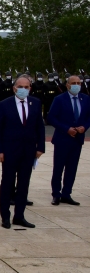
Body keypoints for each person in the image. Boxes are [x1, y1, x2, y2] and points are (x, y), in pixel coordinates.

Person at [0, 75, 45, 229]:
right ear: (14, 88)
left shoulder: (35, 103)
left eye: (26, 87)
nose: (23, 89)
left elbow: (39, 127)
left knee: (23, 184)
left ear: (30, 88)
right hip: (9, 152)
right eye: (20, 87)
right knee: (7, 183)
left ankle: (19, 216)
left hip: (28, 151)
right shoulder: (4, 104)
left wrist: (40, 147)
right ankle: (5, 216)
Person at [47, 75, 90, 205]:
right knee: (58, 168)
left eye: (78, 83)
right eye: (73, 83)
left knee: (72, 168)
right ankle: (56, 194)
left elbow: (88, 117)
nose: (76, 85)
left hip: (77, 139)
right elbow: (51, 117)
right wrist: (66, 129)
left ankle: (67, 193)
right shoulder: (59, 99)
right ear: (67, 85)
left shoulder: (86, 99)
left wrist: (85, 127)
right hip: (62, 139)